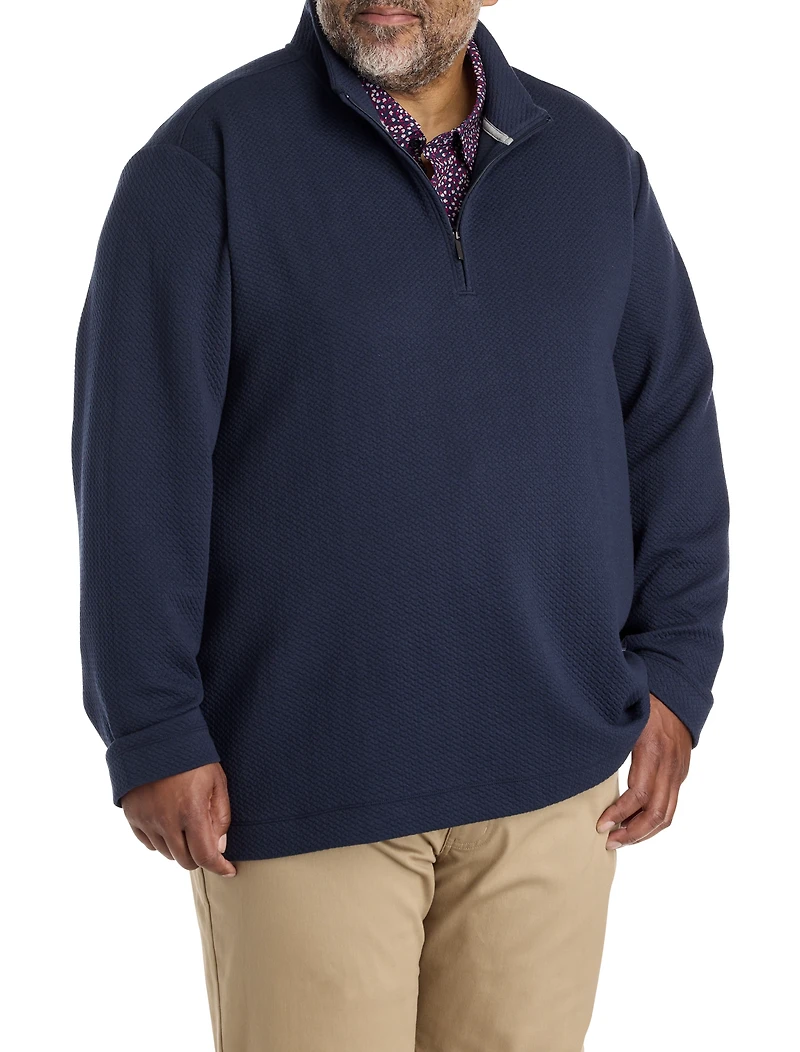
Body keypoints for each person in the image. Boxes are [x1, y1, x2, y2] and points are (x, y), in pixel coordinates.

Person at [70, 1, 730, 1049]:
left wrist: (677, 677)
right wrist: (150, 725)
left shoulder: (596, 170)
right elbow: (135, 467)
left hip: (555, 786)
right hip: (299, 789)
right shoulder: (205, 166)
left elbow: (669, 429)